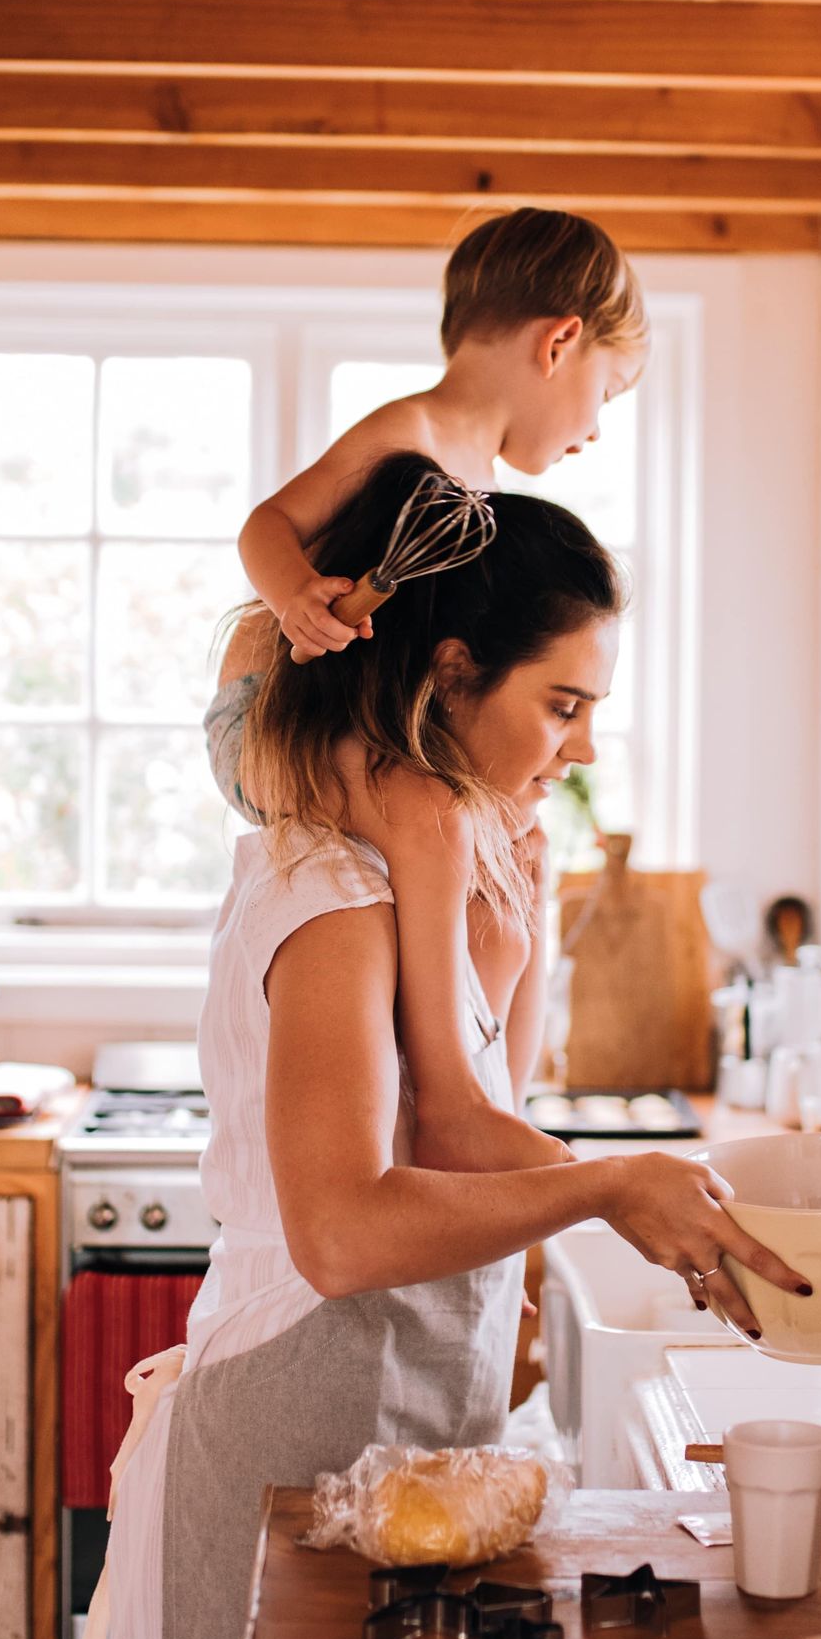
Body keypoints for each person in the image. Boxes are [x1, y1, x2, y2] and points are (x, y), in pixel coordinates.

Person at [93, 452, 808, 1639]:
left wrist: (513, 930)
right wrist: (610, 1184)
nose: (583, 747)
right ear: (453, 669)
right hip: (294, 1422)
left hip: (404, 1426)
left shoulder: (443, 868)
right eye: (562, 705)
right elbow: (346, 1230)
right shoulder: (328, 897)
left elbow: (470, 1122)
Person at [208, 206, 647, 1173]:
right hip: (274, 722)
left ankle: (494, 1117)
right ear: (560, 341)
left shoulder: (488, 495)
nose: (597, 429)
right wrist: (296, 599)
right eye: (606, 392)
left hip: (379, 731)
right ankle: (455, 1106)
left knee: (523, 857)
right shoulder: (408, 437)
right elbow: (267, 525)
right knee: (438, 813)